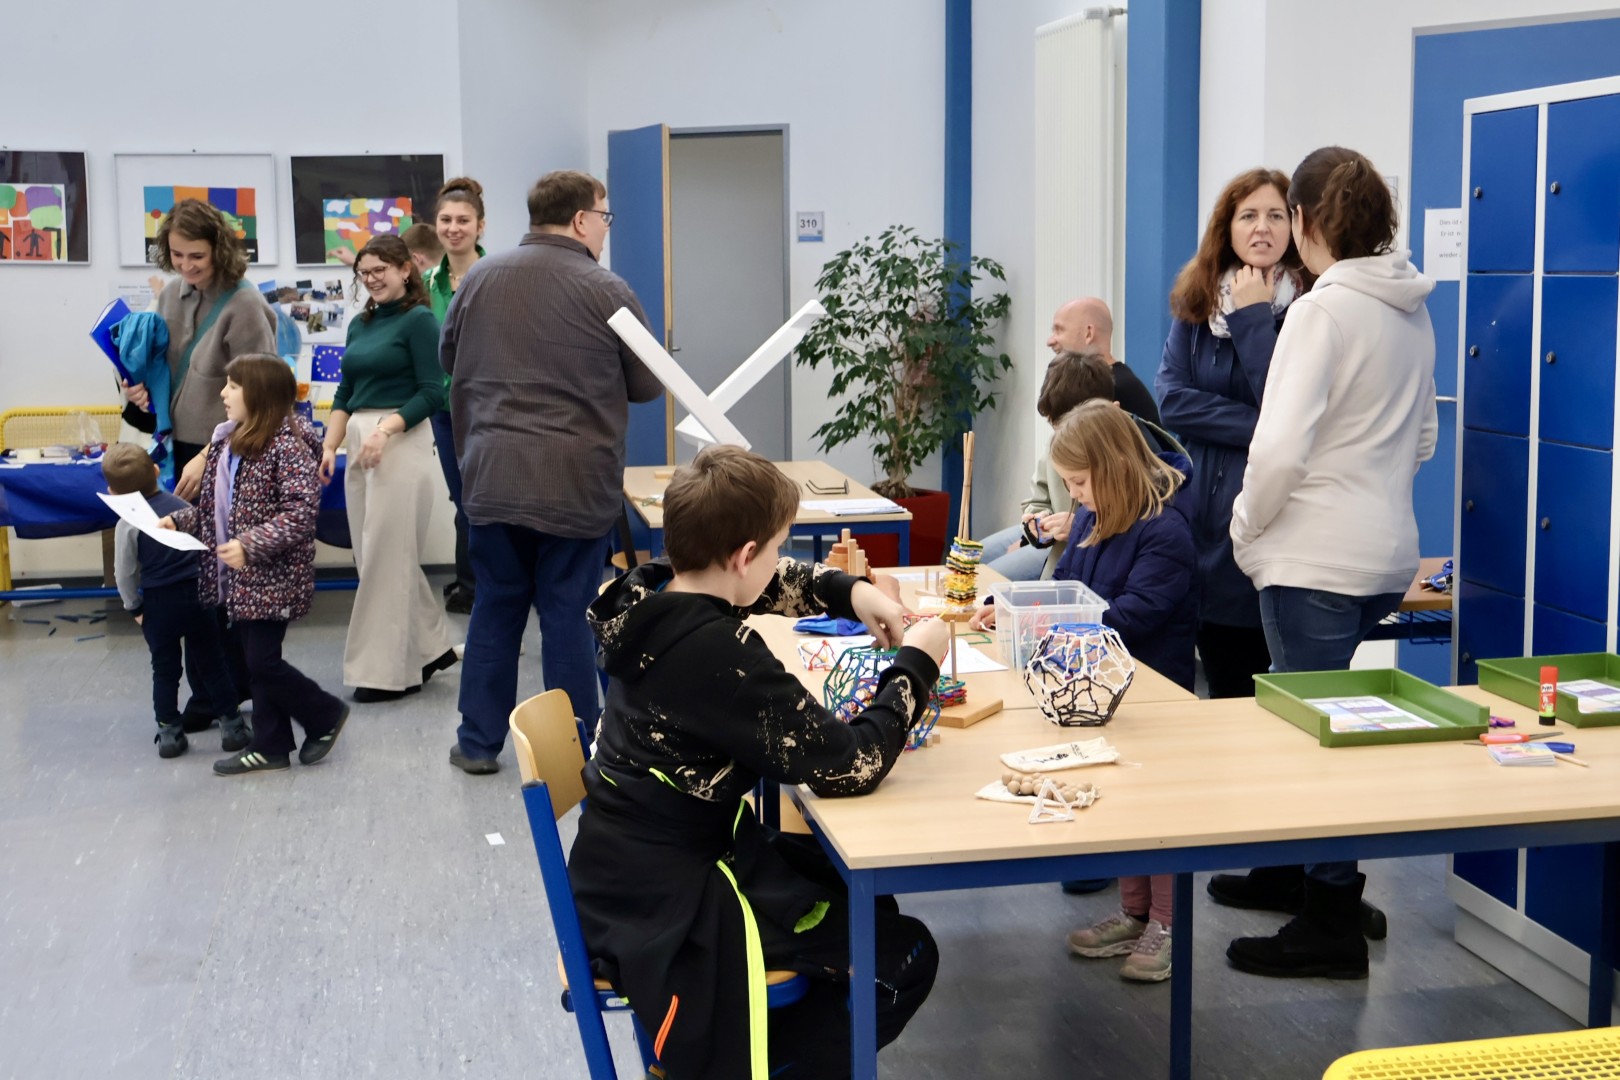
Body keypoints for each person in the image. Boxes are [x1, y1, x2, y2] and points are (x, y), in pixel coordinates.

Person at [571, 444, 947, 1079]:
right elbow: (852, 765)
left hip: (620, 871)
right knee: (904, 954)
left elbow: (769, 583)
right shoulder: (721, 655)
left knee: (862, 897)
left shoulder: (650, 593)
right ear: (744, 555)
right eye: (775, 547)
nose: (780, 560)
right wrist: (917, 665)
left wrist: (852, 591)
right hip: (677, 901)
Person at [1222, 147, 1437, 980]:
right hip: (1384, 556)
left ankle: (1331, 921)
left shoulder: (1321, 312)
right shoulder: (1410, 309)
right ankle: (1314, 886)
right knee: (1331, 727)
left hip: (1312, 559)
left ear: (1307, 221)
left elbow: (1278, 449)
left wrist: (1247, 528)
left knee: (1311, 739)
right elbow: (1423, 438)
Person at [440, 169, 663, 774]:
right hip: (574, 484)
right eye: (604, 218)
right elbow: (647, 384)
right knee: (567, 615)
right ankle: (574, 752)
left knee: (495, 607)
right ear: (582, 219)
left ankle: (477, 742)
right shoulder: (606, 289)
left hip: (491, 477)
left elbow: (448, 356)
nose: (605, 230)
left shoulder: (479, 278)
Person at [971, 401, 1196, 980]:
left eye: (1077, 481)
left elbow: (1134, 616)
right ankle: (1134, 914)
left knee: (1160, 814)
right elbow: (1065, 585)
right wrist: (1010, 605)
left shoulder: (1166, 530)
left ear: (1114, 467)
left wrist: (1052, 621)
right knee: (1127, 805)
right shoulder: (1095, 519)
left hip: (1153, 692)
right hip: (1099, 690)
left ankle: (1167, 925)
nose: (1071, 495)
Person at [1156, 168, 1310, 700]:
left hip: (1266, 521)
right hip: (1198, 516)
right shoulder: (1197, 302)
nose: (1262, 227)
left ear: (1295, 226)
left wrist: (1252, 317)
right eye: (1249, 216)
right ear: (1228, 227)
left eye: (1275, 215)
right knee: (1214, 680)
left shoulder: (1309, 309)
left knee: (1255, 684)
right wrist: (1261, 426)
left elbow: (1289, 407)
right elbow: (1171, 401)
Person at [161, 356, 350, 776]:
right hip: (241, 578)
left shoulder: (287, 446)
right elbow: (216, 510)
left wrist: (248, 545)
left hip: (273, 577)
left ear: (260, 394)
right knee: (255, 661)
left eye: (233, 386)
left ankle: (324, 714)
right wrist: (179, 520)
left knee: (262, 662)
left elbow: (300, 513)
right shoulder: (230, 442)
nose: (222, 393)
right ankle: (272, 745)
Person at [319, 236, 458, 702]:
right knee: (374, 555)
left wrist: (385, 430)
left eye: (381, 269)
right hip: (359, 438)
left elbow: (432, 392)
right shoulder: (360, 324)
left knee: (385, 557)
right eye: (365, 272)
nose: (372, 279)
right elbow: (345, 391)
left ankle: (384, 674)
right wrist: (330, 445)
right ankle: (432, 647)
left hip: (399, 437)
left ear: (404, 269)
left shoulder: (420, 321)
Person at [123, 199, 278, 500]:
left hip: (227, 448)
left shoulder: (245, 304)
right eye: (177, 254)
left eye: (197, 256)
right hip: (170, 444)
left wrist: (210, 455)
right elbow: (161, 367)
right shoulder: (170, 294)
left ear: (219, 251)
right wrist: (140, 391)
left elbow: (261, 397)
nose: (185, 265)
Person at [104, 443, 247, 759]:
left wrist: (134, 607)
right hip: (199, 596)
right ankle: (232, 726)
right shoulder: (182, 507)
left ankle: (169, 732)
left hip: (159, 603)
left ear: (113, 493)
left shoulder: (127, 524)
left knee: (164, 669)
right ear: (156, 471)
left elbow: (124, 573)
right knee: (213, 663)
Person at [420, 177, 487, 616]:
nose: (453, 228)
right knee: (462, 501)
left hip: (488, 409)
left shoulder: (496, 275)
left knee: (487, 502)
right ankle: (470, 585)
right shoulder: (426, 282)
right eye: (446, 220)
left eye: (463, 220)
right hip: (443, 411)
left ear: (480, 226)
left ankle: (493, 586)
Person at [1048, 296, 1160, 424]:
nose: (1050, 341)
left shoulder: (1108, 389)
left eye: (1059, 330)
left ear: (1088, 333)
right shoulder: (1120, 384)